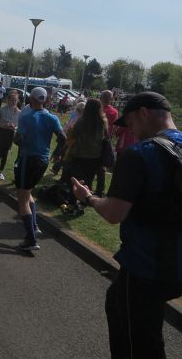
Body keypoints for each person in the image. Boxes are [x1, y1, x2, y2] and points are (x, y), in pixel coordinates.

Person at [71, 91, 182, 358]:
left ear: (143, 113)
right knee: (117, 301)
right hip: (177, 263)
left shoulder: (140, 154)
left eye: (130, 123)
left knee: (140, 341)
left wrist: (88, 198)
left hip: (147, 265)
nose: (130, 130)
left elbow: (114, 213)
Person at [14, 87, 66, 250]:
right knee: (28, 193)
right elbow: (63, 139)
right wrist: (57, 154)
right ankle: (34, 225)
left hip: (27, 159)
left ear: (32, 100)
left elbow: (18, 140)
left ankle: (31, 239)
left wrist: (20, 139)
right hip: (43, 161)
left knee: (22, 199)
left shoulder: (26, 117)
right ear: (44, 100)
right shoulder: (53, 118)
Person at [59, 99, 107, 216]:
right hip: (96, 157)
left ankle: (72, 205)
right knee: (88, 181)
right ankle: (84, 202)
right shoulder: (102, 121)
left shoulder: (83, 121)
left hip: (81, 155)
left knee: (76, 181)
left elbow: (73, 134)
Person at [95, 90, 120, 196]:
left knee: (90, 162)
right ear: (111, 99)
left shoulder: (96, 108)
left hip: (94, 138)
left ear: (101, 97)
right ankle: (100, 190)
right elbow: (114, 128)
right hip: (105, 140)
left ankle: (85, 185)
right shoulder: (114, 112)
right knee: (101, 166)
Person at [0, 91, 20, 180]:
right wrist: (1, 123)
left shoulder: (19, 112)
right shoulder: (2, 109)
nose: (14, 102)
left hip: (10, 134)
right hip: (1, 132)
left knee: (5, 153)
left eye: (15, 100)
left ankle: (1, 172)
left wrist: (14, 127)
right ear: (8, 100)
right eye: (12, 100)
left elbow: (19, 125)